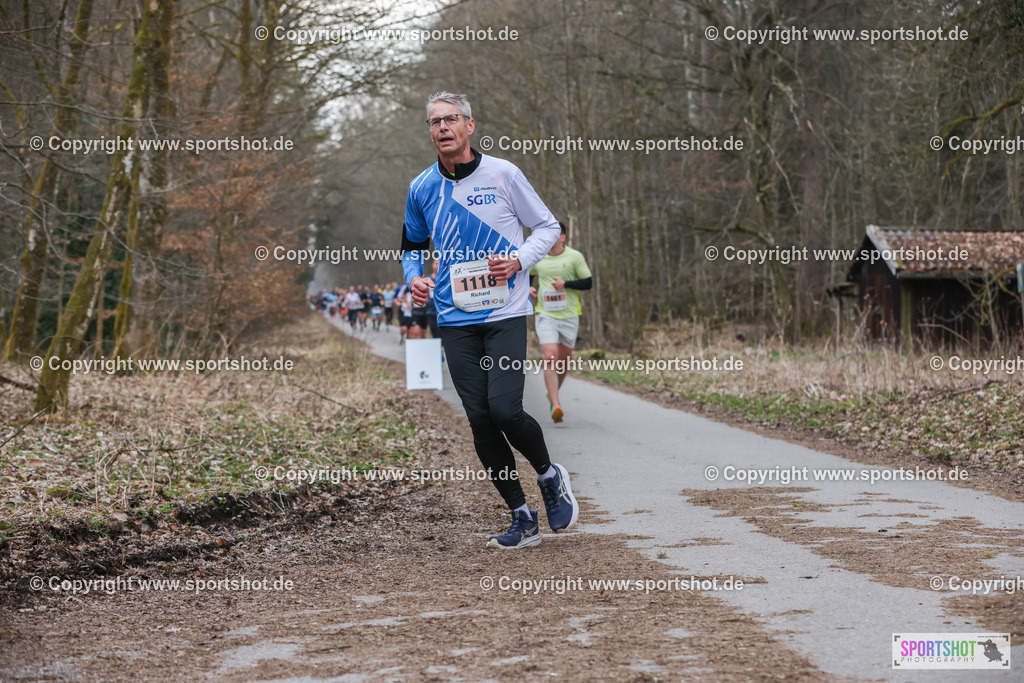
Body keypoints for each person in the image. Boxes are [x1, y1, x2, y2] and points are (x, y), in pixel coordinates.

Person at [402, 91, 579, 549]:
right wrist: (414, 280)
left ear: (470, 125)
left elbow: (548, 228)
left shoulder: (503, 173)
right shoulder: (421, 187)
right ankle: (521, 515)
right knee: (480, 420)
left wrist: (519, 260)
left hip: (504, 311)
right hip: (454, 317)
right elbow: (411, 247)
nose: (442, 128)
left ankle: (548, 475)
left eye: (451, 119)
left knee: (505, 409)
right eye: (434, 122)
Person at [529, 222, 592, 423]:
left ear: (562, 237)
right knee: (550, 356)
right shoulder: (537, 256)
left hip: (570, 315)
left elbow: (588, 282)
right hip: (545, 314)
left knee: (563, 362)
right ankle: (556, 404)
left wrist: (566, 284)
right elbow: (527, 277)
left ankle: (552, 394)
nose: (548, 238)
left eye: (553, 234)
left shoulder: (575, 256)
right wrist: (527, 289)